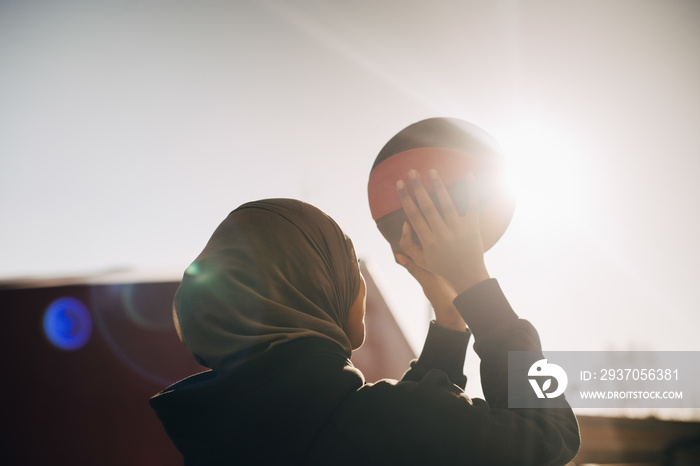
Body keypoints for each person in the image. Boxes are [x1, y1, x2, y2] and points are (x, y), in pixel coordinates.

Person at [150, 170, 580, 465]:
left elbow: (391, 436)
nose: (362, 287)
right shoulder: (374, 422)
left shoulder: (214, 434)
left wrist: (450, 323)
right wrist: (475, 285)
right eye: (348, 266)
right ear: (318, 286)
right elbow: (546, 435)